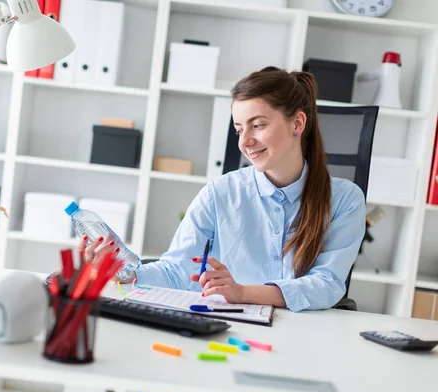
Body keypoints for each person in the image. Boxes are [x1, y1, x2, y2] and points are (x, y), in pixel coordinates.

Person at [82, 66, 366, 314]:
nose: (246, 142)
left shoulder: (344, 199)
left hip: (305, 336)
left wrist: (242, 292)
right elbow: (176, 270)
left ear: (298, 123)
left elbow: (327, 285)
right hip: (231, 330)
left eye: (258, 125)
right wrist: (122, 272)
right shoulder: (219, 193)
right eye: (239, 129)